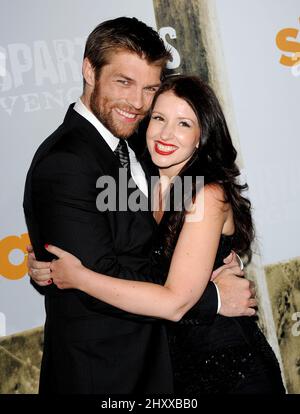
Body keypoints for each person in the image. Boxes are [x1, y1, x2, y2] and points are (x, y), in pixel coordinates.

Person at [24, 17, 255, 394]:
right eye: (123, 82)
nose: (137, 103)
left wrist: (221, 256)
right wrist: (210, 298)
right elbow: (96, 278)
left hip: (177, 363)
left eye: (149, 89)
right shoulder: (66, 162)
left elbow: (172, 237)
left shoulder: (140, 147)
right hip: (105, 373)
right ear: (88, 69)